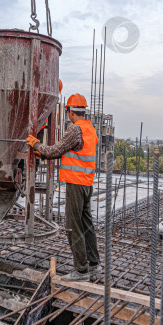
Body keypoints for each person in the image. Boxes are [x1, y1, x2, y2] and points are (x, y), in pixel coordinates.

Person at [27, 93, 100, 282]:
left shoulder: (75, 130)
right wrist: (42, 153)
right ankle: (94, 265)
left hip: (76, 183)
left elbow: (54, 151)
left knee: (72, 225)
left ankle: (81, 270)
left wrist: (37, 144)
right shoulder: (90, 129)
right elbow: (67, 152)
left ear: (70, 111)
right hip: (87, 183)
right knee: (86, 224)